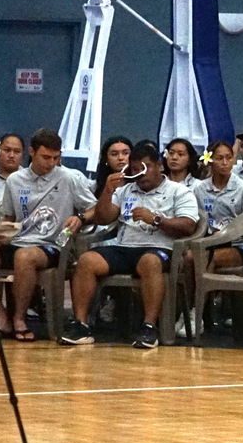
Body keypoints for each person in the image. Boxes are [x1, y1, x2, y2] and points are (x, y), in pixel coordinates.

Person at [62, 143, 200, 348]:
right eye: (135, 170)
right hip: (124, 247)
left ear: (159, 166)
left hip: (160, 248)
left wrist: (156, 219)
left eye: (145, 167)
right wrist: (108, 191)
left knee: (149, 262)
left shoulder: (179, 191)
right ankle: (81, 325)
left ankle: (149, 327)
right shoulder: (126, 190)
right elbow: (103, 217)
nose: (140, 174)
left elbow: (189, 225)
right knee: (86, 260)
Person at [0, 130, 94, 341]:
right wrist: (0, 233)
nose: (51, 163)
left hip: (52, 245)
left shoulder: (69, 178)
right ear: (32, 152)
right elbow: (9, 217)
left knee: (24, 256)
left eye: (56, 158)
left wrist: (81, 217)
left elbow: (94, 208)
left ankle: (19, 319)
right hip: (18, 240)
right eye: (46, 157)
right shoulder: (15, 180)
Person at [191, 140, 243, 270]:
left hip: (239, 242)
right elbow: (197, 219)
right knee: (189, 257)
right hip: (208, 240)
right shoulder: (200, 189)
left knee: (207, 258)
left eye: (229, 157)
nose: (225, 163)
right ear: (210, 161)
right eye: (219, 158)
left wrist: (226, 233)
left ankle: (207, 285)